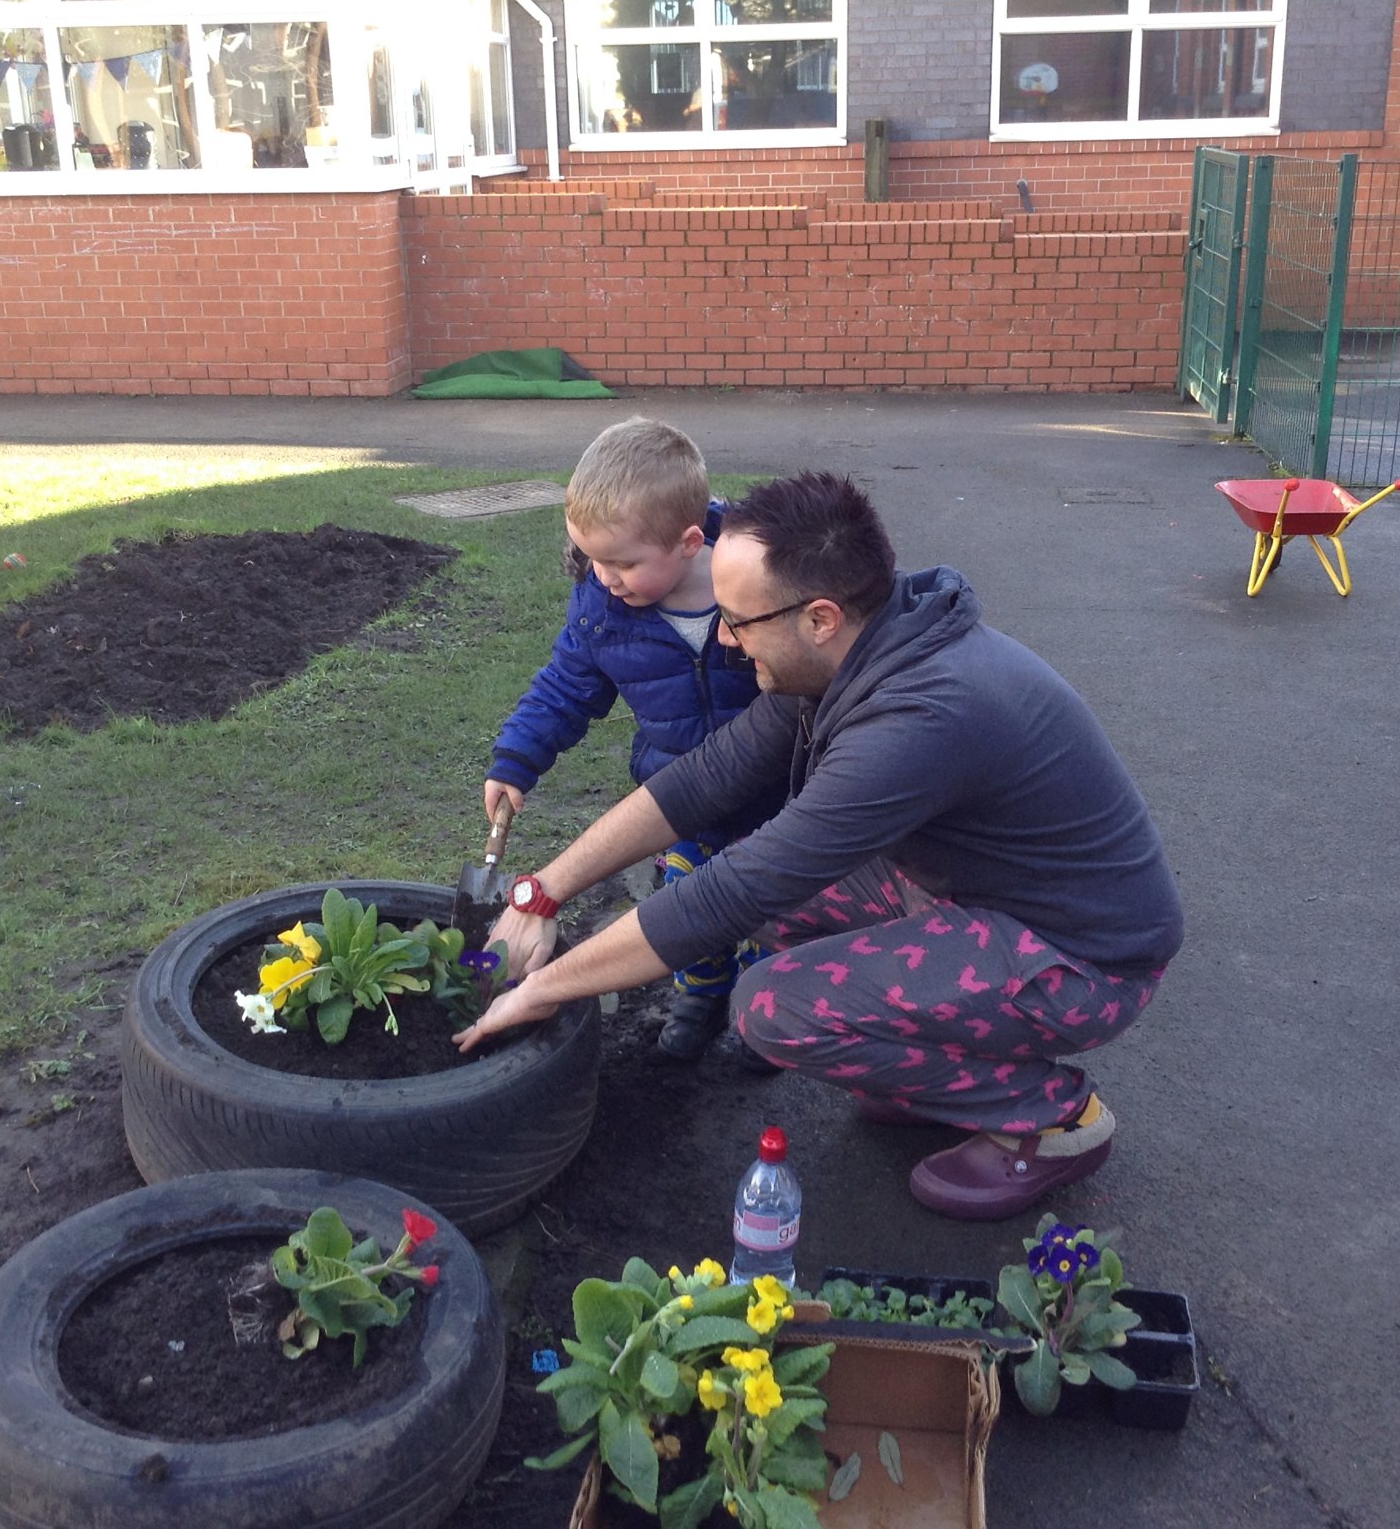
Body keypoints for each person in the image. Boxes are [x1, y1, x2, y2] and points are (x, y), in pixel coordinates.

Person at [457, 470, 1185, 1221]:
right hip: (977, 895)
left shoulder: (919, 719)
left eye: (739, 622)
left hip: (1081, 958)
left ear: (821, 617)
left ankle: (1058, 1120)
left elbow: (742, 887)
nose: (731, 645)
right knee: (775, 906)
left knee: (772, 1006)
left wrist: (544, 987)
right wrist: (540, 891)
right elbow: (705, 780)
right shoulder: (857, 651)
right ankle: (933, 1069)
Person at [484, 416, 778, 1063]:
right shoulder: (602, 607)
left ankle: (758, 1013)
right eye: (590, 557)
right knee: (687, 909)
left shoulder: (760, 587)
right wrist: (517, 758)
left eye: (622, 562)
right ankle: (699, 995)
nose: (604, 575)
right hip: (678, 805)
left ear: (689, 542)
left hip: (774, 802)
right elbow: (567, 686)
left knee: (770, 921)